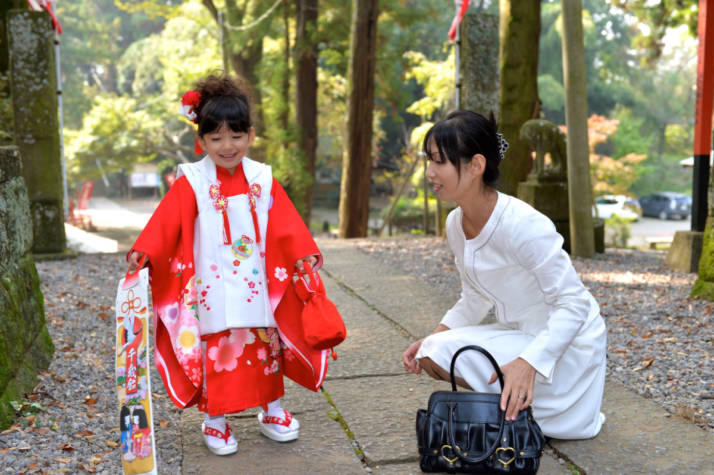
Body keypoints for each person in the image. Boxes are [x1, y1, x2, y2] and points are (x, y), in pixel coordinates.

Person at [127, 74, 330, 456]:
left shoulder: (262, 178)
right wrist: (146, 252)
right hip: (212, 283)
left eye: (236, 136)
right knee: (219, 350)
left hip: (258, 280)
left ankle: (271, 409)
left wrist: (302, 252)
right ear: (200, 140)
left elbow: (285, 222)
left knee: (263, 347)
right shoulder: (192, 180)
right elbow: (166, 223)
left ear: (250, 135)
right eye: (216, 137)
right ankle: (215, 419)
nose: (227, 146)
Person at [401, 110, 606, 440]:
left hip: (567, 347)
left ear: (476, 166)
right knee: (431, 353)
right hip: (520, 334)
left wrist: (529, 362)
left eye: (439, 161)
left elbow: (575, 305)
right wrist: (433, 335)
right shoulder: (455, 223)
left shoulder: (525, 225)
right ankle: (510, 404)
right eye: (430, 161)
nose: (430, 172)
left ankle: (529, 402)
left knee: (445, 353)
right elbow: (474, 297)